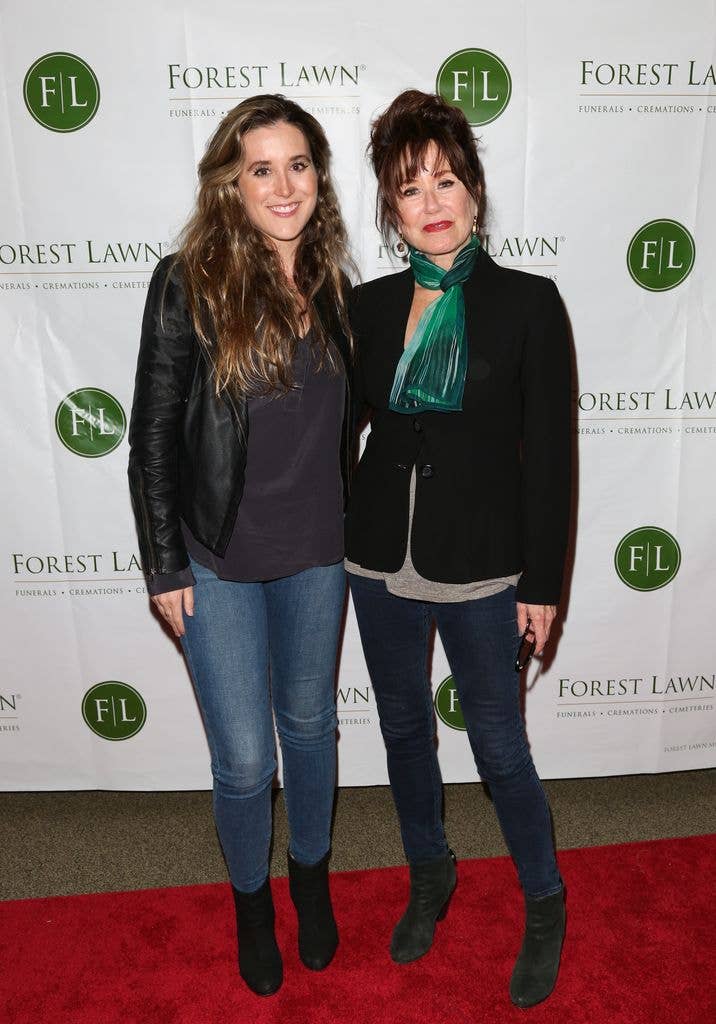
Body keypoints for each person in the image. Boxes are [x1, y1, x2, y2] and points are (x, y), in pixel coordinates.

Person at [345, 90, 571, 1008]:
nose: (431, 202)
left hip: (483, 563)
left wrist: (543, 584)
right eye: (410, 189)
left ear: (474, 190)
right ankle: (430, 871)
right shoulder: (365, 306)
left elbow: (549, 457)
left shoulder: (527, 303)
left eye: (445, 180)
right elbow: (336, 438)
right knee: (403, 730)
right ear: (390, 210)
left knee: (500, 745)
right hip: (377, 560)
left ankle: (545, 901)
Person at [127, 94, 354, 997]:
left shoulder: (334, 282)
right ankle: (253, 904)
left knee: (311, 728)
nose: (283, 185)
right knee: (247, 760)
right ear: (232, 182)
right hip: (216, 556)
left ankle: (312, 878)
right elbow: (152, 434)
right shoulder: (189, 280)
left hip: (319, 552)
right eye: (262, 168)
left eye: (298, 165)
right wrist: (162, 563)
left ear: (318, 177)